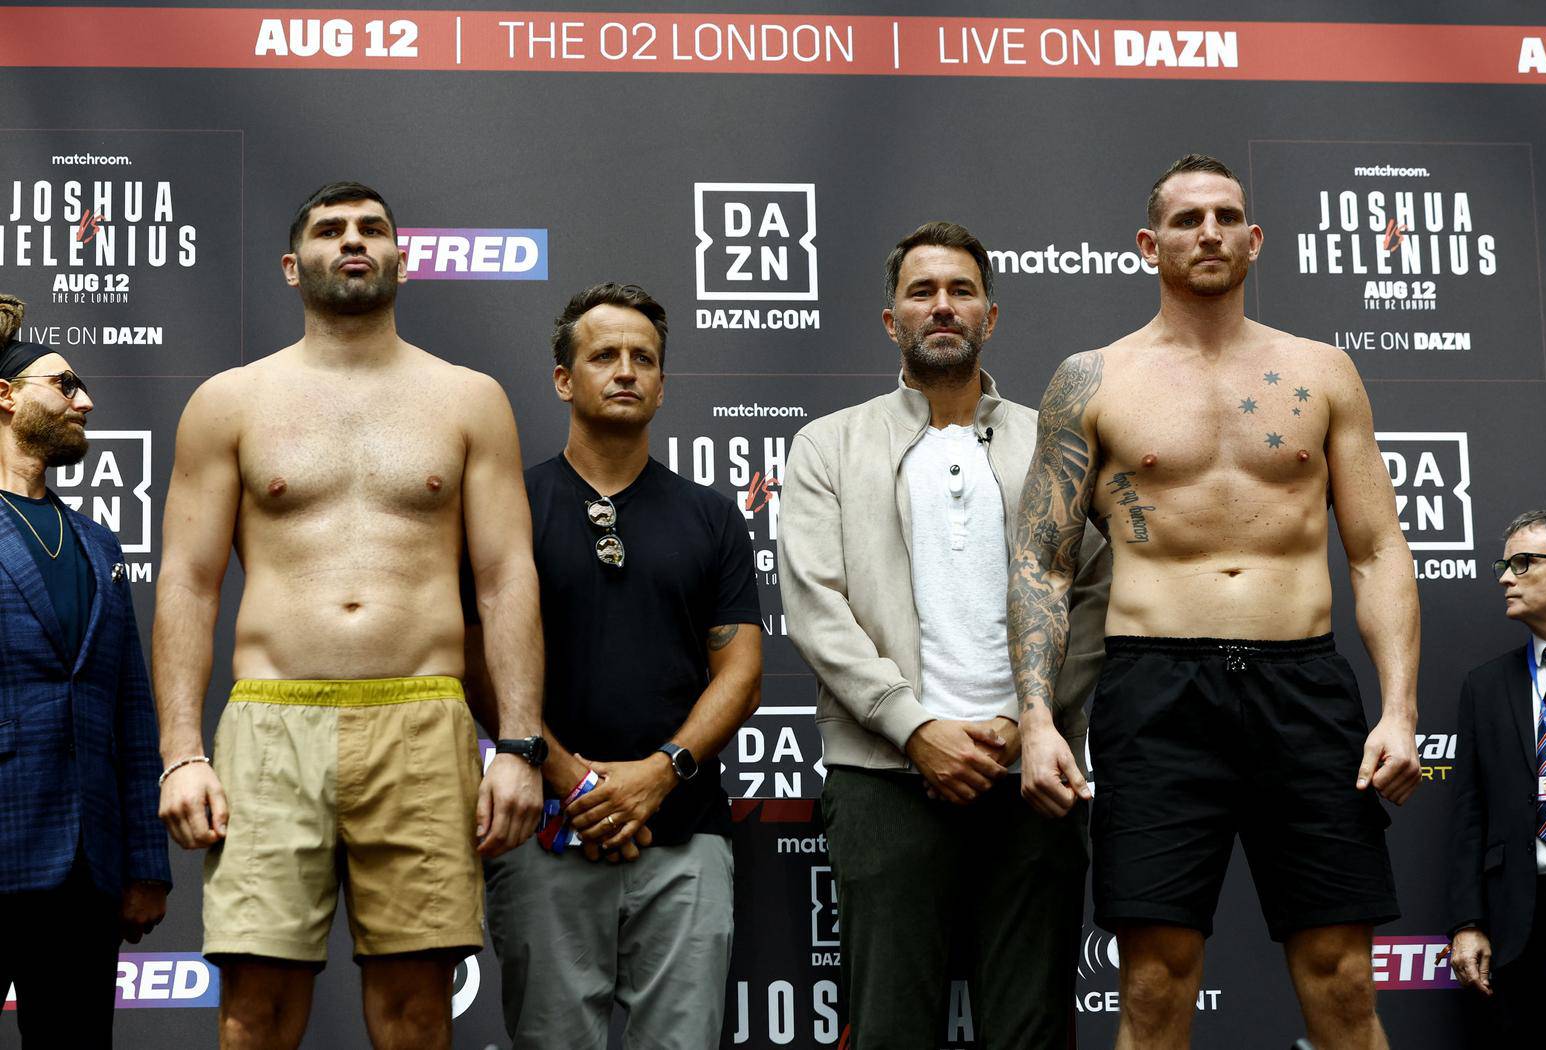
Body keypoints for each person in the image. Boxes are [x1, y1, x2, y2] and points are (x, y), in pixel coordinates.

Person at [1007, 155, 1421, 1050]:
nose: (1210, 233)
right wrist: (1038, 721)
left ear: (1255, 239)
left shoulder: (1323, 371)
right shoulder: (1092, 378)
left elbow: (1378, 547)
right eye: (1189, 220)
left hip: (1303, 687)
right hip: (1157, 693)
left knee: (1345, 981)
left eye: (1228, 216)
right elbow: (1041, 562)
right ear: (1150, 245)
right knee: (1154, 986)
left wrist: (1397, 709)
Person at [152, 182, 544, 1050]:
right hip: (270, 722)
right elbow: (186, 580)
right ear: (295, 268)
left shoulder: (469, 398)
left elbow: (505, 577)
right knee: (256, 1006)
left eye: (373, 228)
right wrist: (182, 754)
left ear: (402, 258)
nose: (354, 240)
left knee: (416, 1008)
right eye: (331, 231)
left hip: (422, 720)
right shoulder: (230, 401)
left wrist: (518, 746)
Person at [779, 222, 1110, 1049]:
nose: (942, 306)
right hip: (884, 775)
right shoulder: (828, 445)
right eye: (921, 291)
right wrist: (915, 727)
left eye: (960, 290)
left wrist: (1024, 723)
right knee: (890, 1027)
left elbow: (1097, 593)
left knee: (1031, 1031)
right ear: (891, 320)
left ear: (990, 316)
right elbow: (816, 606)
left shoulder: (1054, 440)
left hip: (1034, 773)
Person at [470, 282, 762, 1050]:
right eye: (605, 356)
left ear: (663, 384)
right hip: (545, 835)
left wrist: (658, 774)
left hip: (687, 838)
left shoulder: (711, 514)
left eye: (644, 359)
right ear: (565, 380)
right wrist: (576, 784)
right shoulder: (510, 506)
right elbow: (475, 662)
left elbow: (741, 674)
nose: (626, 370)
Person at [0, 296, 169, 1047]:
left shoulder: (100, 546)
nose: (86, 400)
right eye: (64, 384)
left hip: (85, 870)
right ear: (6, 396)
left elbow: (132, 713)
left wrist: (146, 865)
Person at [1449, 509, 1546, 1041]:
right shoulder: (1485, 686)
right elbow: (1468, 812)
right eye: (1503, 564)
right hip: (1521, 924)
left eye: (1522, 563)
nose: (1505, 577)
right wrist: (1467, 922)